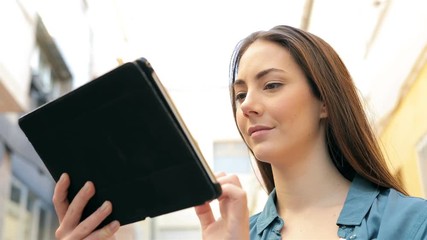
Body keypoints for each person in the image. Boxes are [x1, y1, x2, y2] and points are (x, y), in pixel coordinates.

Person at [52, 25, 427, 239]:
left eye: (272, 85)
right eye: (240, 93)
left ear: (324, 101)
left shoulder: (410, 223)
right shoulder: (234, 234)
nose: (246, 105)